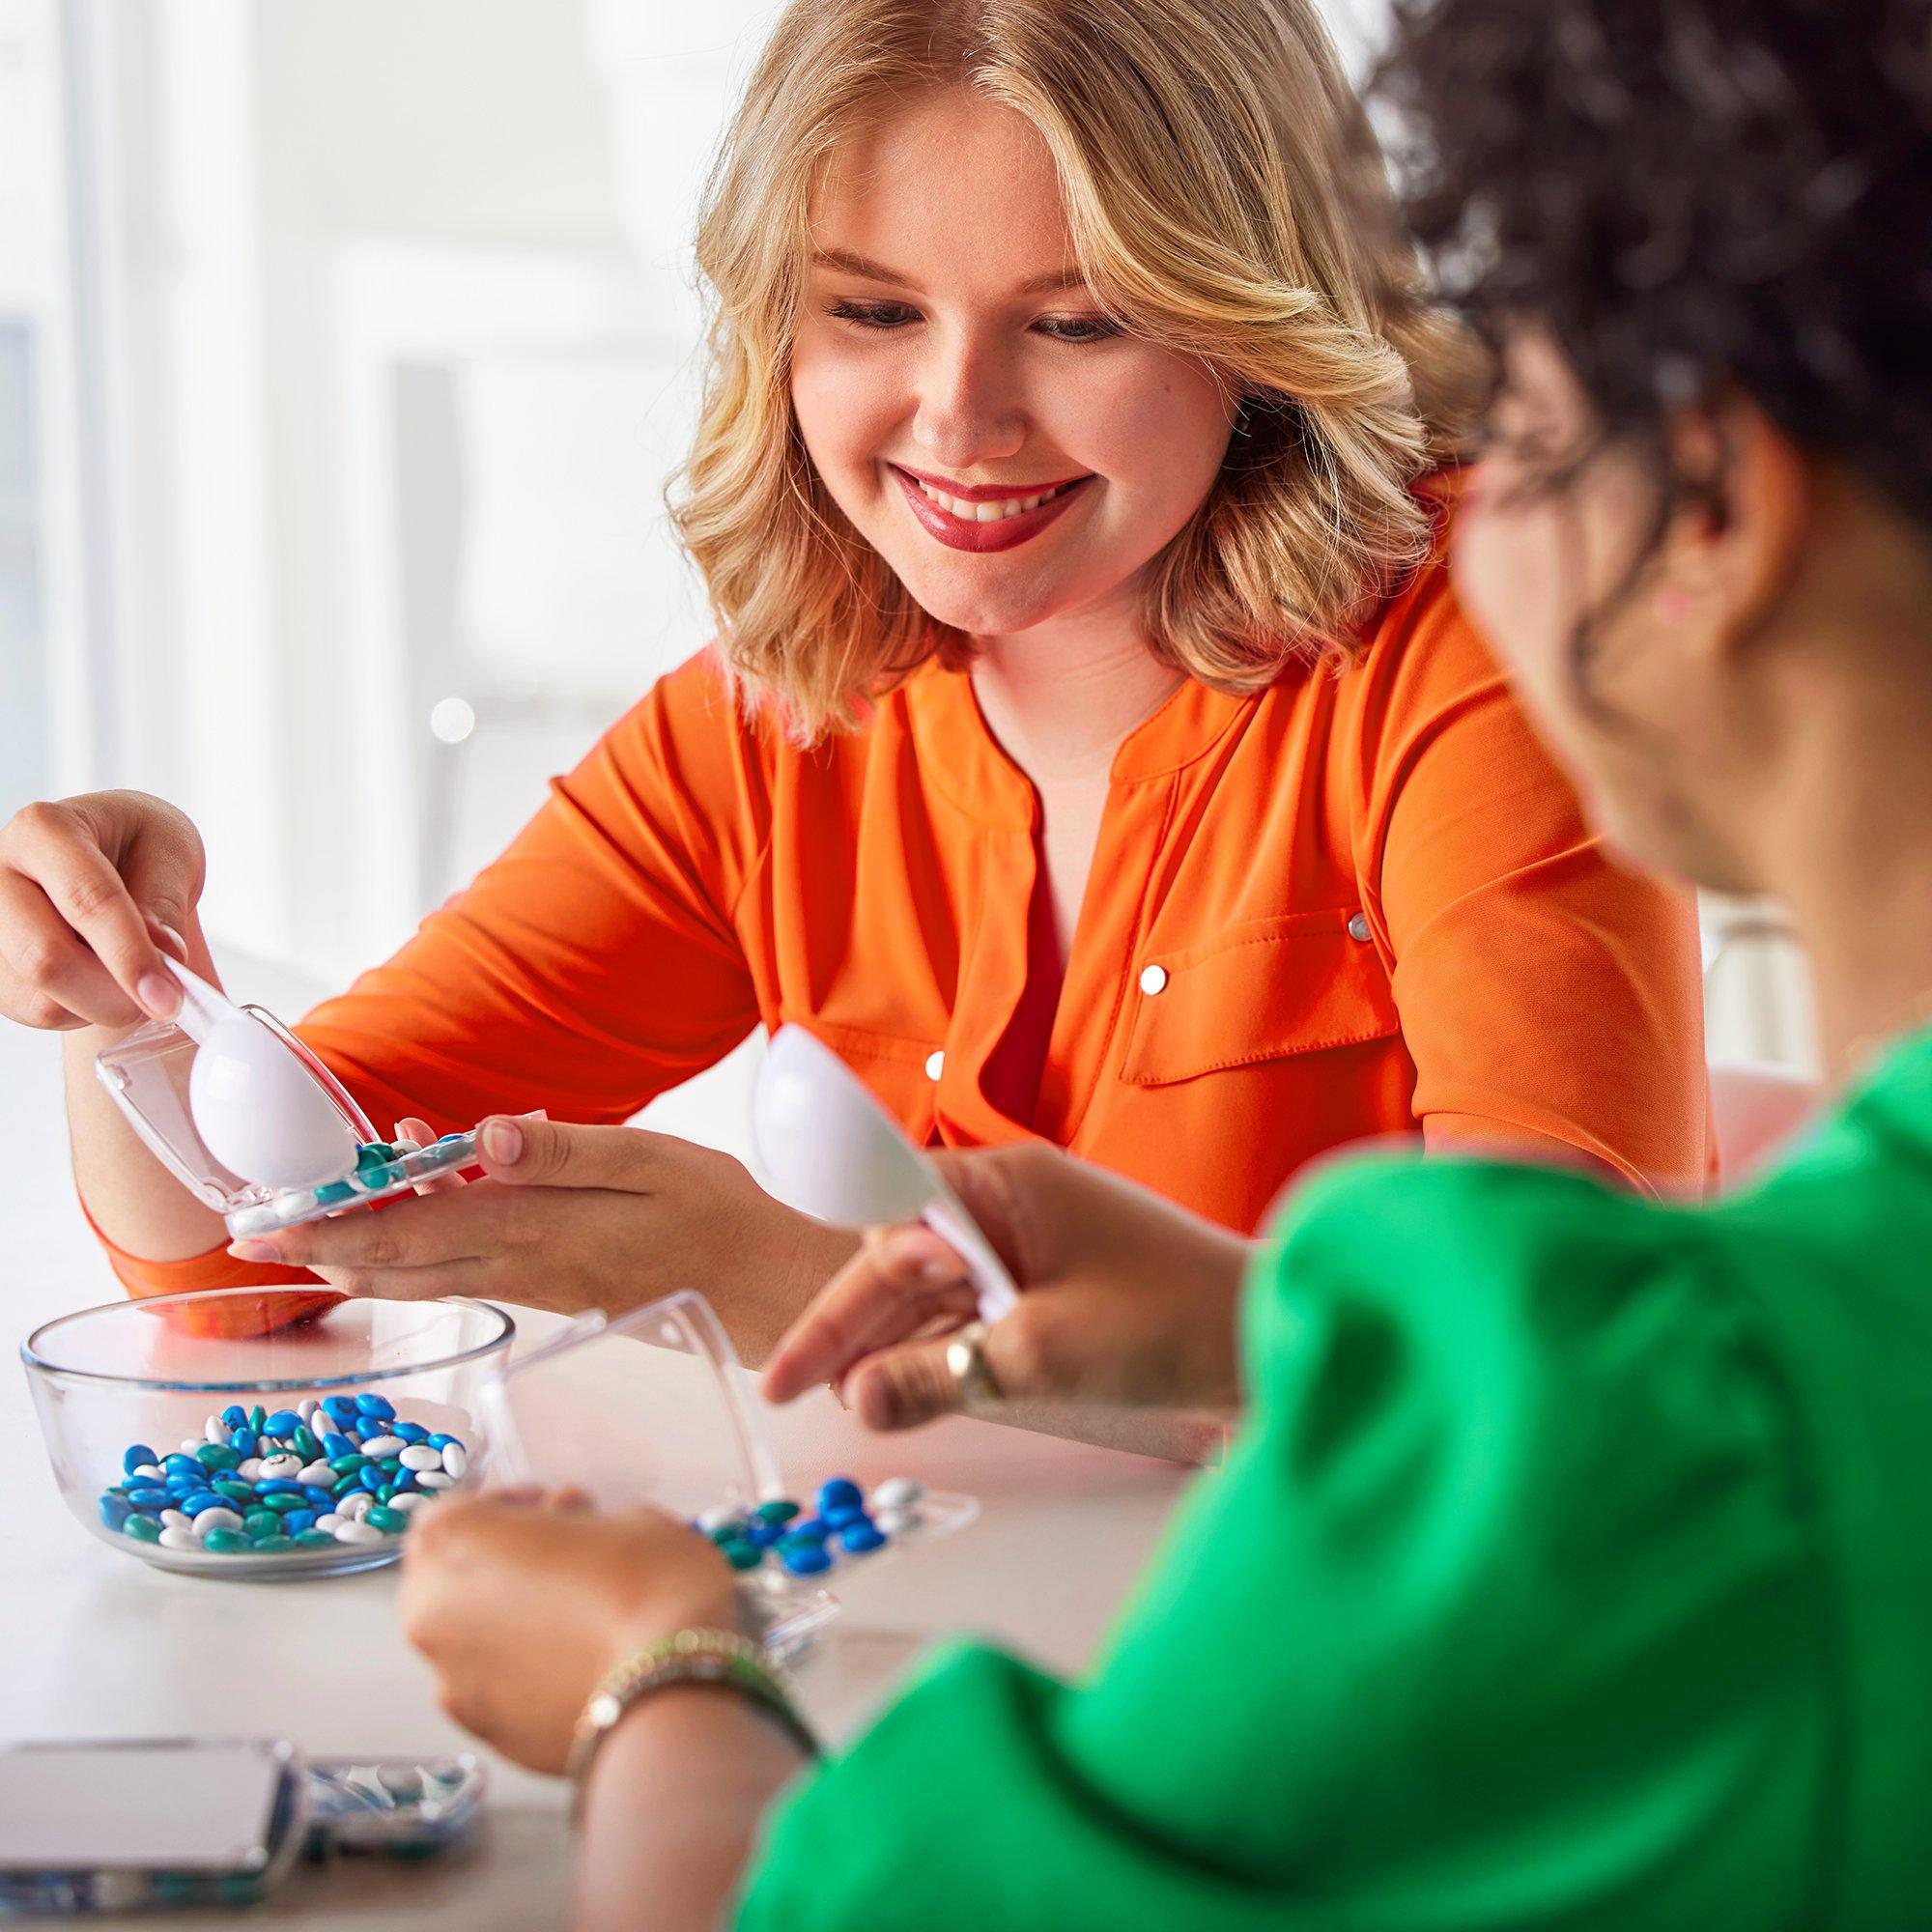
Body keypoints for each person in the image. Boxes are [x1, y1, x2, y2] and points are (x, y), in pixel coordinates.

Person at [400, 0, 1932, 1924]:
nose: (1452, 492)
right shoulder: (1739, 1360)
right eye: (868, 308)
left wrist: (658, 1668)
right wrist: (1233, 1327)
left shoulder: (1651, 1416)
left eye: (1510, 423)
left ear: (1707, 515)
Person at [0, 0, 1706, 1367]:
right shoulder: (774, 717)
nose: (959, 421)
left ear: (1253, 325)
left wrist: (792, 1284)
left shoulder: (1488, 634)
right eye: (875, 311)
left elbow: (1559, 1372)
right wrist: (127, 1004)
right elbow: (238, 1265)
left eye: (1083, 322)